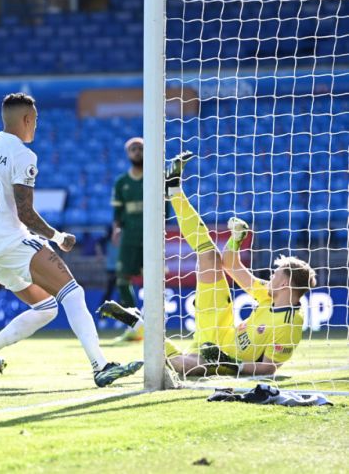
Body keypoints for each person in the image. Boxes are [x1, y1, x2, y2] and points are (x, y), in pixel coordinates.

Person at [0, 92, 143, 386]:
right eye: (35, 120)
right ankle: (101, 366)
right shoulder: (23, 155)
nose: (36, 126)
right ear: (27, 119)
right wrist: (58, 236)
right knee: (73, 293)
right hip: (14, 242)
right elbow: (26, 213)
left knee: (46, 308)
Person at [98, 151, 316, 377]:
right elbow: (231, 266)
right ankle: (173, 190)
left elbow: (269, 368)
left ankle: (137, 324)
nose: (271, 277)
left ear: (286, 285)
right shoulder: (268, 294)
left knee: (182, 365)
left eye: (277, 275)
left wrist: (230, 366)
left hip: (222, 358)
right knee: (210, 255)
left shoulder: (290, 324)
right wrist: (235, 240)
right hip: (218, 323)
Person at [110, 136, 145, 342]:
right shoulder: (121, 182)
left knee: (154, 280)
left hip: (150, 236)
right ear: (128, 154)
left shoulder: (154, 177)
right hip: (129, 236)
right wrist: (116, 230)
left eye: (140, 148)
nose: (137, 152)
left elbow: (165, 211)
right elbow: (117, 212)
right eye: (133, 149)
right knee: (122, 279)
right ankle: (134, 326)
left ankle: (156, 327)